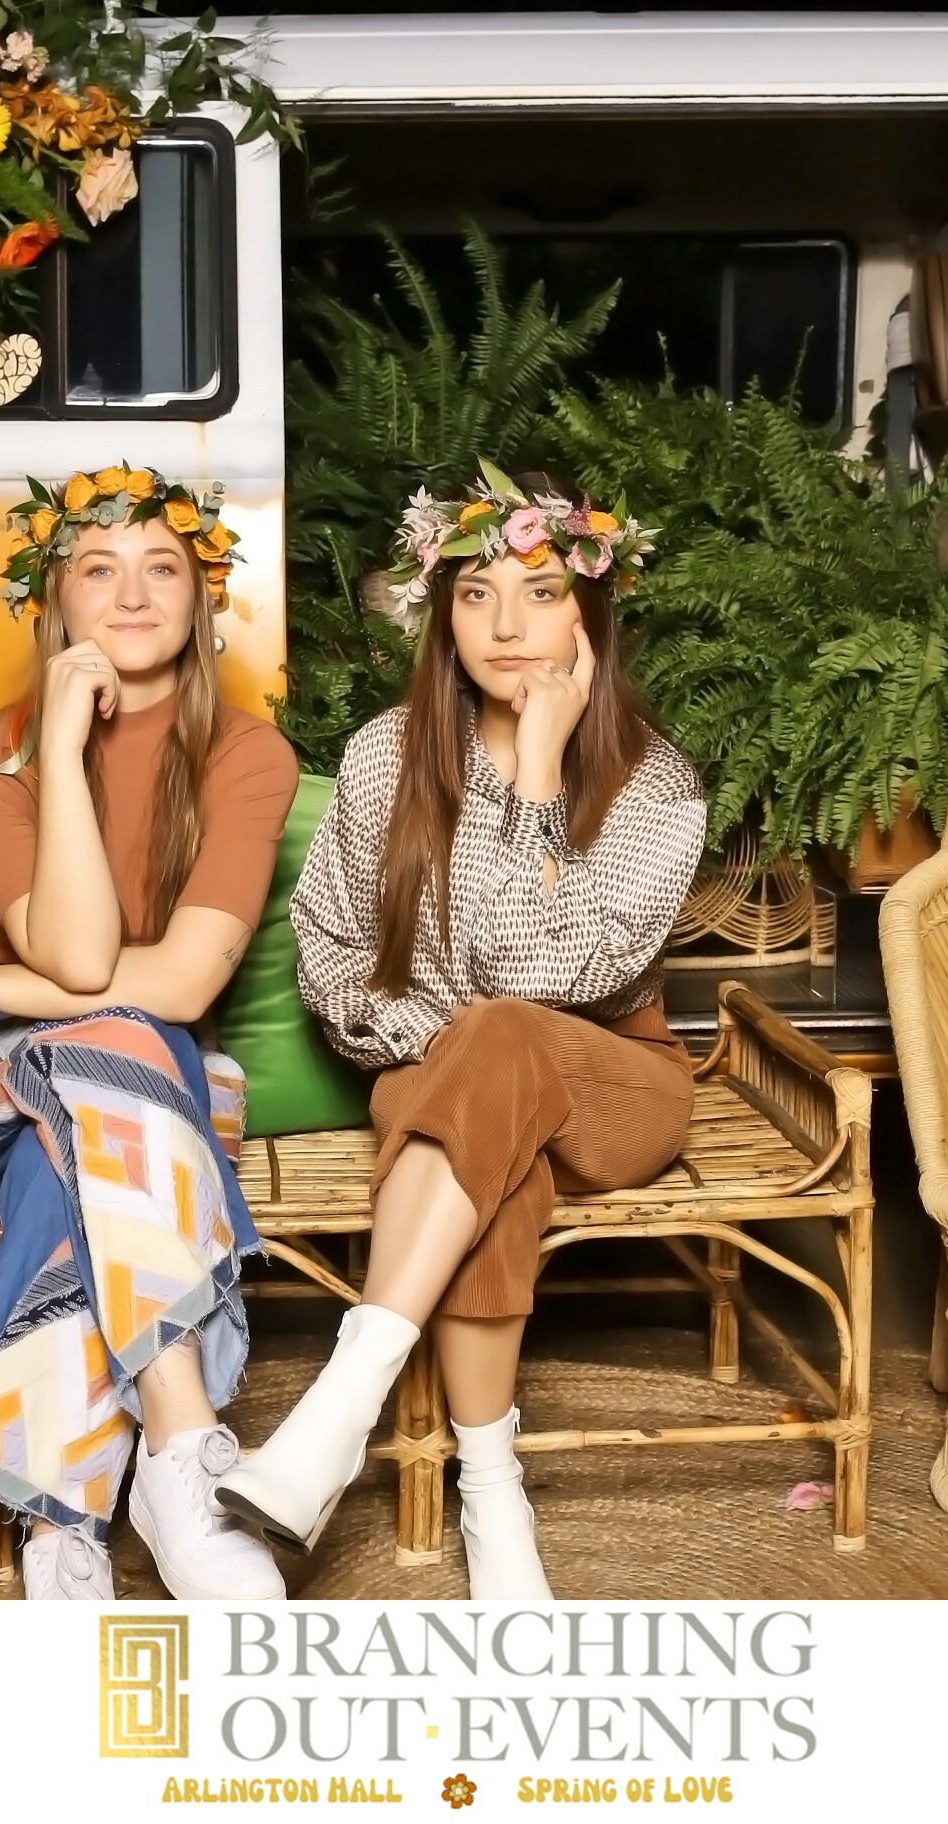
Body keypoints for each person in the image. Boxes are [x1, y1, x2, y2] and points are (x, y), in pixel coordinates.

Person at [214, 463, 704, 1598]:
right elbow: (331, 947)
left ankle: (339, 1406)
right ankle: (494, 1499)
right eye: (477, 595)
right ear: (442, 613)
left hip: (613, 1080)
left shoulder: (653, 783)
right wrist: (445, 1036)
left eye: (540, 594)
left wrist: (537, 779)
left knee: (505, 1034)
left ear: (590, 615)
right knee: (492, 1134)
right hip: (434, 1074)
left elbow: (539, 978)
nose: (506, 627)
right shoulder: (386, 756)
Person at [0, 465, 298, 1601]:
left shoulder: (249, 755)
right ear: (53, 599)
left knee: (90, 1126)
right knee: (122, 1043)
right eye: (98, 569)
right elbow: (85, 958)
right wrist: (57, 748)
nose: (133, 595)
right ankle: (183, 1444)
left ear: (203, 596)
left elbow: (180, 982)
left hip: (131, 1085)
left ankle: (63, 1516)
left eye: (163, 569)